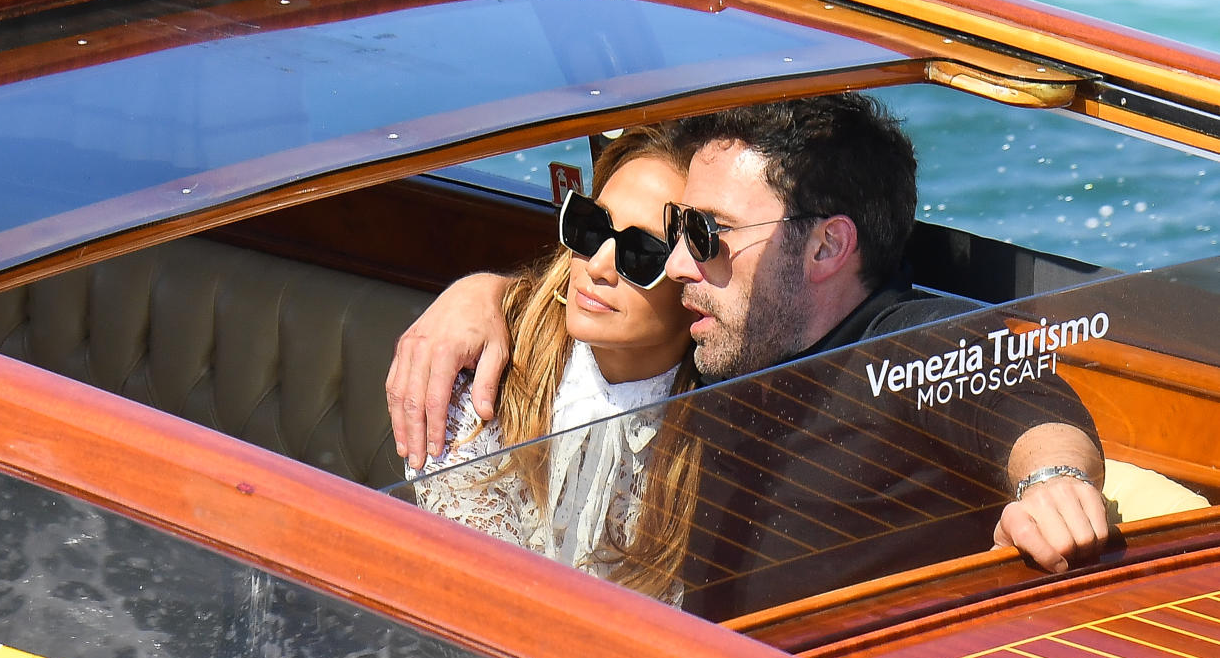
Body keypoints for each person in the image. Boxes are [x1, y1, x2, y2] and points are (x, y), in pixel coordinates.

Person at [387, 95, 1109, 611]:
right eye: (677, 236)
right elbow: (600, 306)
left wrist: (1052, 483)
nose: (678, 266)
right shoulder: (717, 350)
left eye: (708, 234)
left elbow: (1025, 404)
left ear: (826, 245)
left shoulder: (907, 344)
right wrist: (484, 292)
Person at [404, 123, 701, 604]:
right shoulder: (487, 370)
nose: (598, 265)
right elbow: (480, 599)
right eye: (591, 225)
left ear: (695, 280)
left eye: (640, 252)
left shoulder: (727, 418)